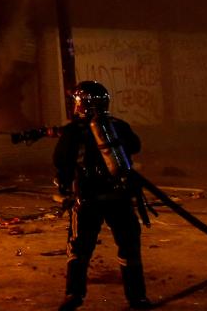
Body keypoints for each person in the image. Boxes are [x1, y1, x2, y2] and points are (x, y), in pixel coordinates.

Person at [53, 80, 152, 310]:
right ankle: (137, 297)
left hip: (88, 200)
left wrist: (64, 188)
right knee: (129, 247)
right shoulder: (119, 126)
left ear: (79, 104)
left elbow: (62, 162)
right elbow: (135, 146)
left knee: (79, 249)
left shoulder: (73, 131)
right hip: (120, 198)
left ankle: (73, 295)